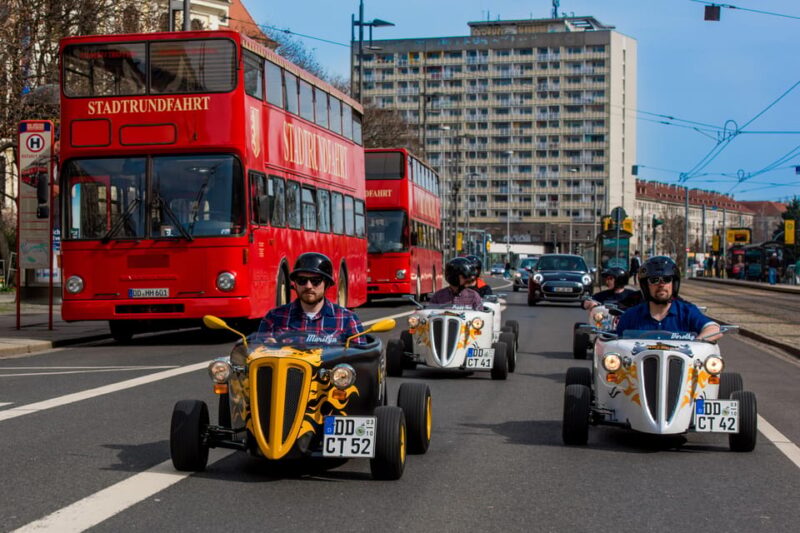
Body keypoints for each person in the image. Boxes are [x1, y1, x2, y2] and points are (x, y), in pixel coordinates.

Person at [257, 252, 365, 344]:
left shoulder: (347, 319)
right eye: (302, 280)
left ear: (326, 284)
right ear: (295, 283)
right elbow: (255, 359)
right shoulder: (273, 318)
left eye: (315, 281)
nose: (308, 286)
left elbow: (360, 360)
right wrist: (265, 348)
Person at [616, 256, 721, 341]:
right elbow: (615, 342)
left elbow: (713, 328)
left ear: (673, 284)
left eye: (667, 279)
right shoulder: (630, 316)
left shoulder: (687, 312)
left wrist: (697, 343)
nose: (661, 285)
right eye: (654, 280)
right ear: (645, 286)